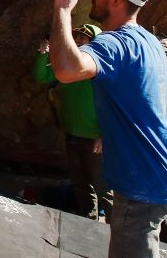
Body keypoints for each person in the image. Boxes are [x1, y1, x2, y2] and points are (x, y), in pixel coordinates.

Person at [48, 0, 167, 258]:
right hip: (157, 173)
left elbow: (66, 69)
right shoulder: (148, 42)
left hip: (142, 185)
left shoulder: (115, 44)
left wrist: (62, 10)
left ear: (116, 0)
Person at [32, 24, 113, 222]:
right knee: (80, 182)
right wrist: (43, 54)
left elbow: (113, 107)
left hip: (94, 138)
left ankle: (117, 226)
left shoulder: (101, 70)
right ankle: (88, 220)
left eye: (83, 38)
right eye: (76, 36)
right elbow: (41, 76)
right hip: (72, 133)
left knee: (103, 186)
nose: (77, 41)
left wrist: (105, 135)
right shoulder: (66, 65)